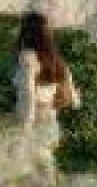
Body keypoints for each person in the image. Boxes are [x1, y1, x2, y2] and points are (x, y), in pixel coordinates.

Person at [13, 11, 80, 140]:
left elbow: (28, 92)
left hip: (31, 121)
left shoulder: (28, 57)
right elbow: (73, 97)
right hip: (50, 120)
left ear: (27, 33)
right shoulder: (56, 60)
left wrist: (26, 127)